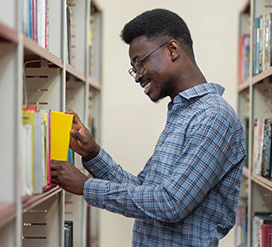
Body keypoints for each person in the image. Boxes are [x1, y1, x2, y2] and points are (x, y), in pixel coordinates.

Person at [51, 8, 247, 247]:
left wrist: (86, 186)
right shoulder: (183, 114)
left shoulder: (213, 116)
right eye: (135, 68)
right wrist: (93, 154)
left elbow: (171, 203)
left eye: (140, 63)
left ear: (172, 50)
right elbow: (144, 191)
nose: (137, 76)